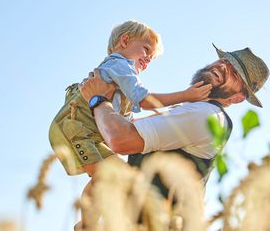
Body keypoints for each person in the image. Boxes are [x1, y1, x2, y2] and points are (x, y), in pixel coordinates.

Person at [48, 20, 212, 228]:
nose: (147, 60)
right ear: (124, 41)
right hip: (75, 129)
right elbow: (143, 100)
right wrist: (186, 96)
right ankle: (87, 226)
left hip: (87, 131)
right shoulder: (120, 65)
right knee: (106, 174)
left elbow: (125, 119)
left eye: (151, 59)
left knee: (111, 174)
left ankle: (87, 224)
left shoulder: (120, 76)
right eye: (146, 50)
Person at [79, 43, 270, 197]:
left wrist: (97, 99)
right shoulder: (196, 112)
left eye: (235, 73)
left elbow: (120, 139)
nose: (223, 67)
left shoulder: (204, 115)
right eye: (225, 61)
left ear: (236, 98)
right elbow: (129, 127)